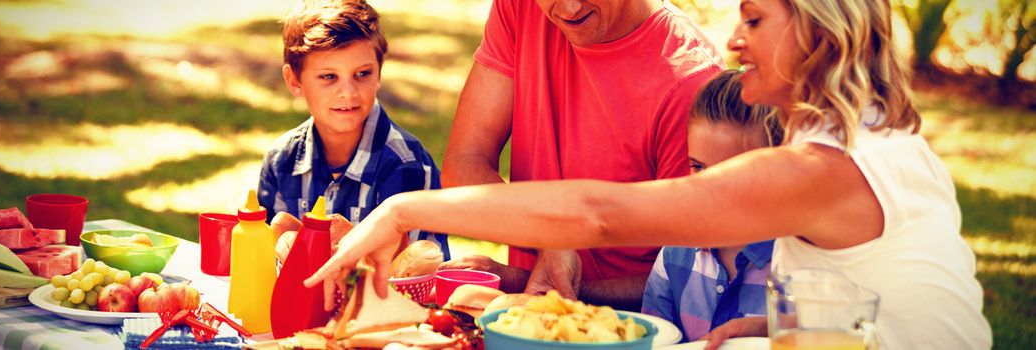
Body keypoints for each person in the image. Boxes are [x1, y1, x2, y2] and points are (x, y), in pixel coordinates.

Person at [306, 0, 993, 348]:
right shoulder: (853, 136)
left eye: (753, 19)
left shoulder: (824, 167)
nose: (733, 41)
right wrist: (771, 329)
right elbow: (880, 297)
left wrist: (401, 211)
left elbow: (602, 215)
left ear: (816, 26)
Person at [438, 0, 723, 310]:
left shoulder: (691, 82)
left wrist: (542, 286)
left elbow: (692, 281)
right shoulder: (520, 7)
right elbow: (464, 162)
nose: (570, 9)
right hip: (531, 325)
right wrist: (549, 237)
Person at [258, 0, 449, 260]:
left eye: (362, 74)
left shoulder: (408, 165)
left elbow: (415, 274)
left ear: (378, 74)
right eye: (329, 76)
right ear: (294, 80)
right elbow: (266, 256)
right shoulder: (281, 160)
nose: (348, 92)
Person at [641, 70, 779, 342]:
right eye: (698, 167)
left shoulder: (795, 264)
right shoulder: (674, 255)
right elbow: (654, 340)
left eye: (730, 172)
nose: (708, 187)